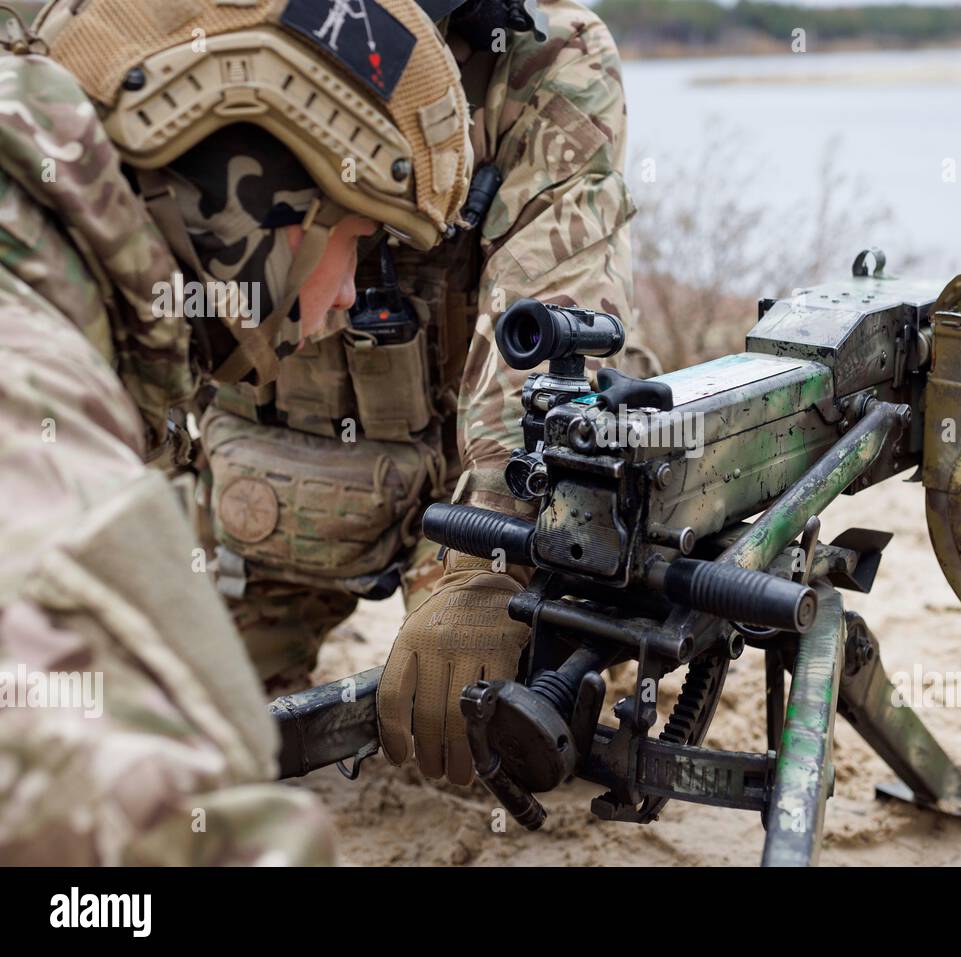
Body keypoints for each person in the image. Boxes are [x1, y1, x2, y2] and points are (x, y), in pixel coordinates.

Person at [0, 0, 473, 864]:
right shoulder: (27, 358)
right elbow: (88, 781)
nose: (341, 304)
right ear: (254, 189)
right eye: (357, 243)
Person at [192, 0, 651, 787]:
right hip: (269, 489)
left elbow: (547, 330)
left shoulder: (543, 60)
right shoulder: (212, 30)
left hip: (473, 491)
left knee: (498, 731)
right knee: (173, 721)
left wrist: (491, 566)